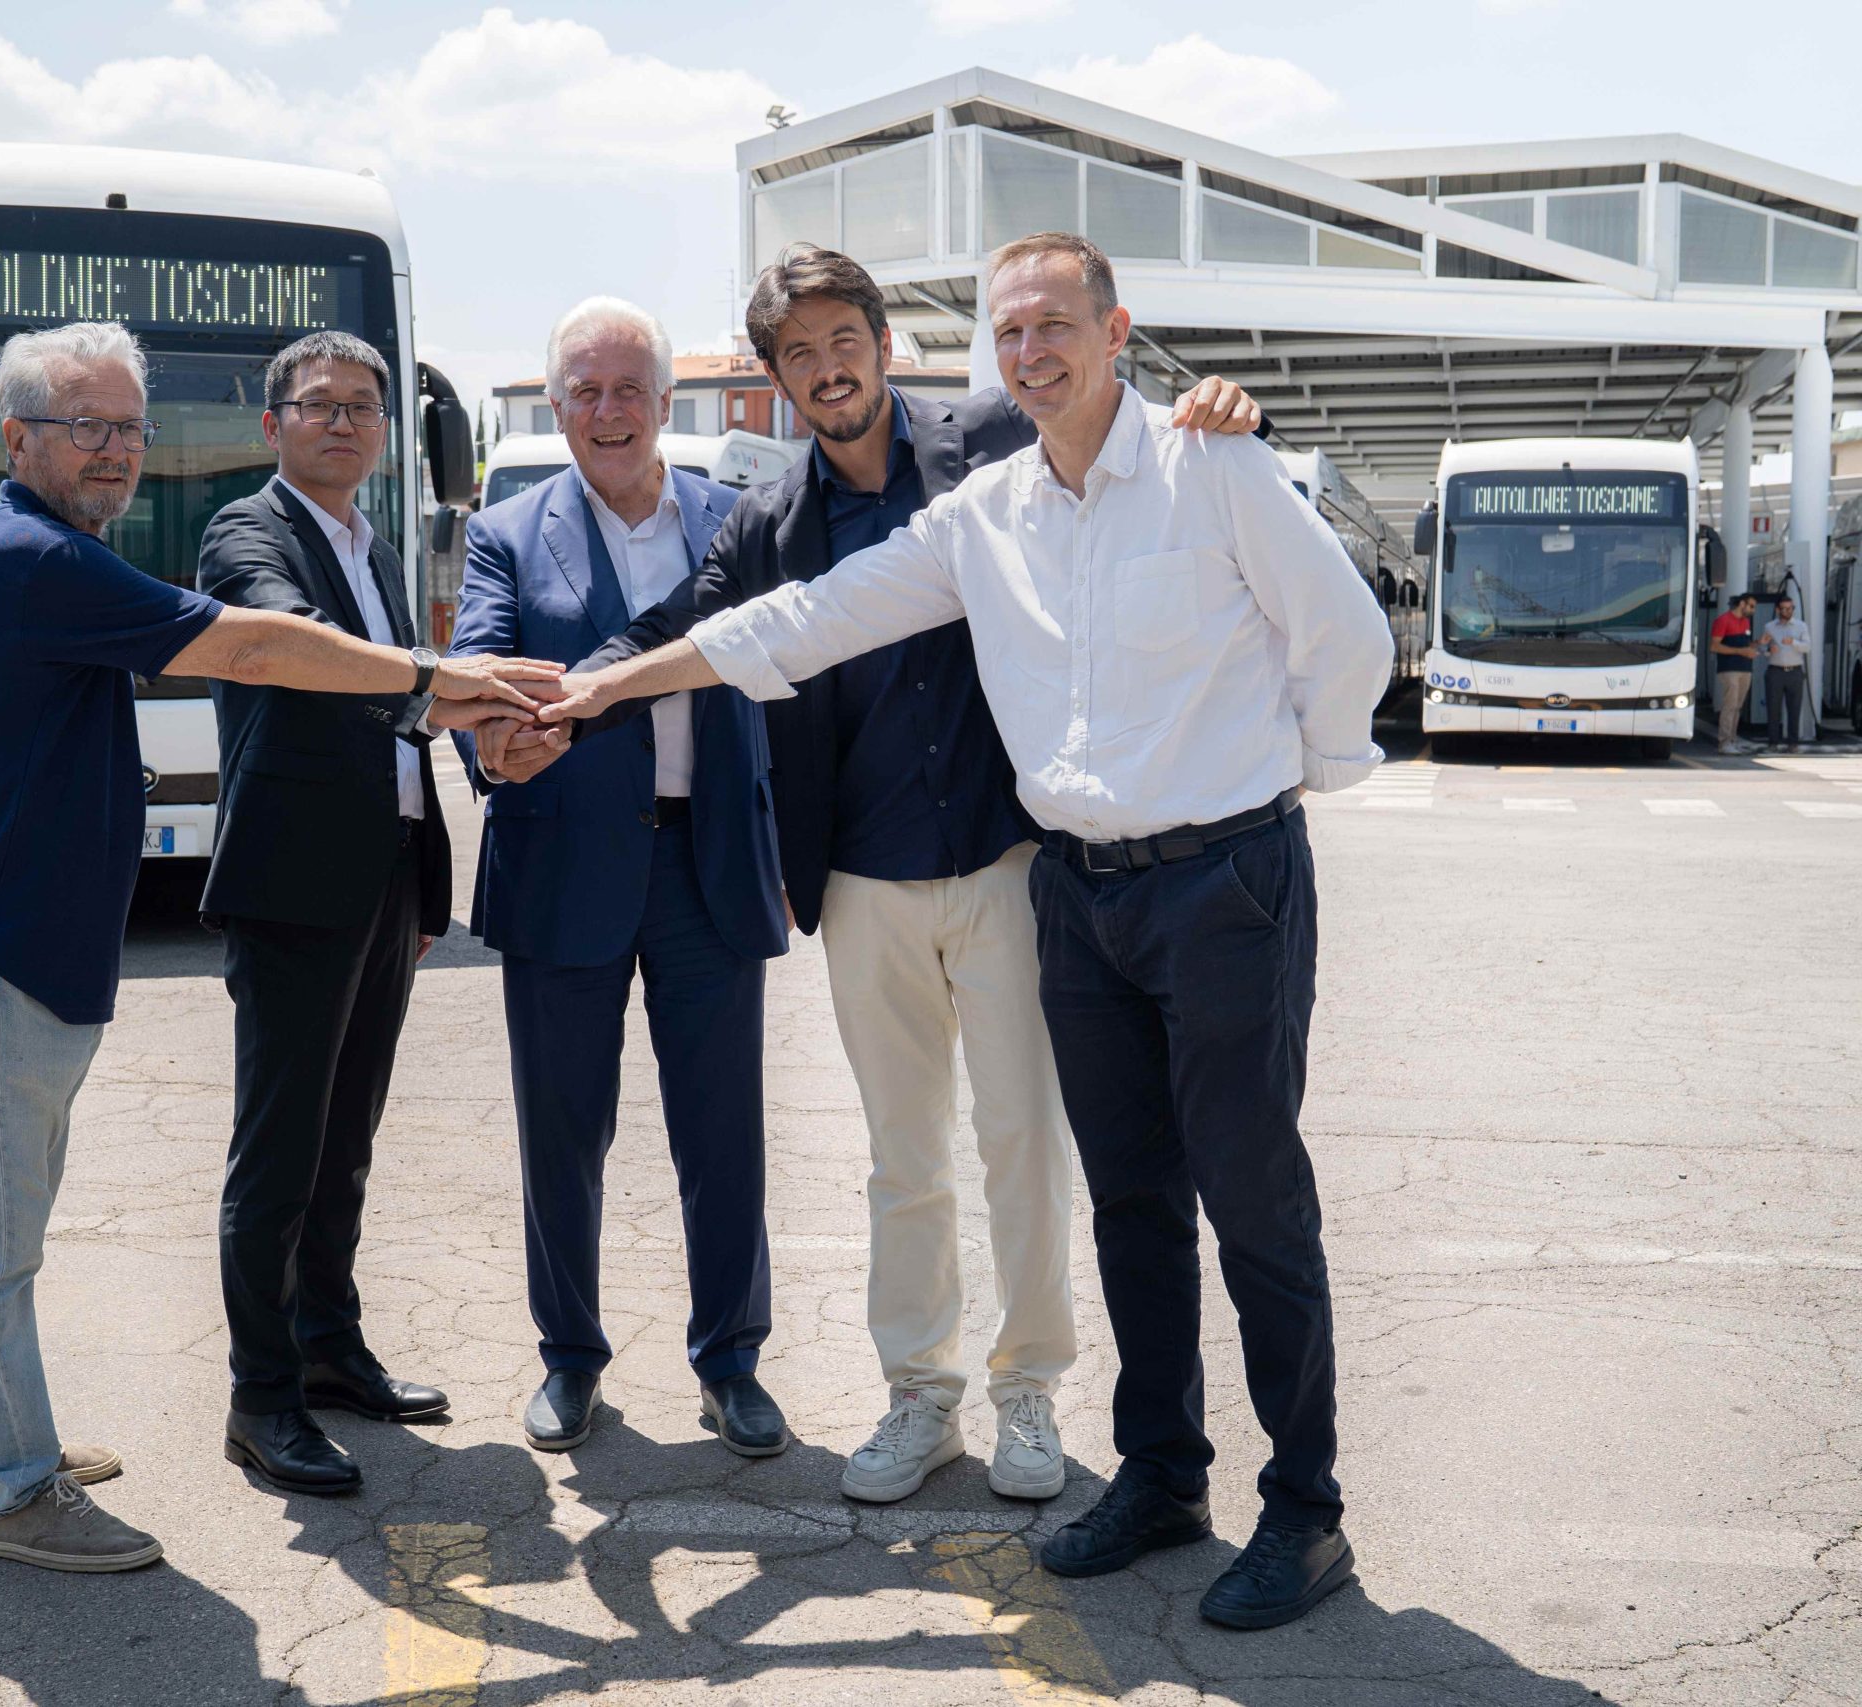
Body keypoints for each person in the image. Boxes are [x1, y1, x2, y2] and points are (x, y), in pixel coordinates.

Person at [538, 233, 1394, 1632]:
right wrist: (597, 690)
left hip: (1222, 884)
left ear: (1116, 331)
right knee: (1129, 1200)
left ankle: (1305, 1511)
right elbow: (798, 622)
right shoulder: (985, 513)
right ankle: (1164, 1473)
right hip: (1081, 894)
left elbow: (1348, 637)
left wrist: (1284, 781)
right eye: (1010, 333)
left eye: (1056, 324)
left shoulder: (1210, 466)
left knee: (1251, 1201)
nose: (1032, 352)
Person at [0, 321, 551, 1570]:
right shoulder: (35, 560)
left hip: (9, 949)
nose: (115, 451)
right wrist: (431, 680)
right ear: (16, 438)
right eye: (85, 426)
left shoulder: (47, 558)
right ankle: (12, 1488)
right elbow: (248, 641)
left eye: (130, 429)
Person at [447, 298, 791, 1458]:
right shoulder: (507, 530)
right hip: (562, 863)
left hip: (710, 863)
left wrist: (800, 849)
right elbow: (481, 664)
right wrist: (495, 746)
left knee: (721, 1134)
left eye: (628, 389)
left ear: (663, 401)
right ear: (556, 406)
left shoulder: (735, 520)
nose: (608, 412)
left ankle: (731, 1361)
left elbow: (796, 673)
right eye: (585, 392)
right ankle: (569, 1357)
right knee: (562, 1133)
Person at [198, 330, 515, 1496]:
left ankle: (330, 1349)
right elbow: (293, 652)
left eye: (361, 408)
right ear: (272, 425)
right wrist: (437, 680)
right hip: (293, 885)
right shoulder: (246, 534)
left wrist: (480, 716)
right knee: (279, 1154)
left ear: (386, 434)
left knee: (344, 1144)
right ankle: (261, 1399)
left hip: (384, 877)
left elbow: (397, 713)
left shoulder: (372, 547)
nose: (341, 422)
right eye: (318, 405)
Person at [1761, 593, 1811, 752]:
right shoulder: (1769, 627)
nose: (1788, 612)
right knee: (1773, 709)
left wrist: (1793, 642)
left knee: (1794, 709)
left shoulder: (1801, 626)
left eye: (1790, 608)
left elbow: (1807, 647)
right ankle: (1773, 743)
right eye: (1784, 609)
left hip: (1795, 671)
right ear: (1778, 610)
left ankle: (1793, 743)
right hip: (1775, 671)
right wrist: (1769, 650)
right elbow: (1763, 648)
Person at [1711, 592, 1758, 753]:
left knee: (1737, 707)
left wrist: (1757, 644)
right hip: (1729, 668)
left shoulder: (1745, 622)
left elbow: (1745, 645)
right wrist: (1741, 651)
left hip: (1745, 668)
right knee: (1730, 706)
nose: (1753, 610)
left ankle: (1731, 740)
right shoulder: (1723, 620)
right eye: (1751, 606)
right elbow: (1714, 646)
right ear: (1742, 604)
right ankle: (1724, 742)